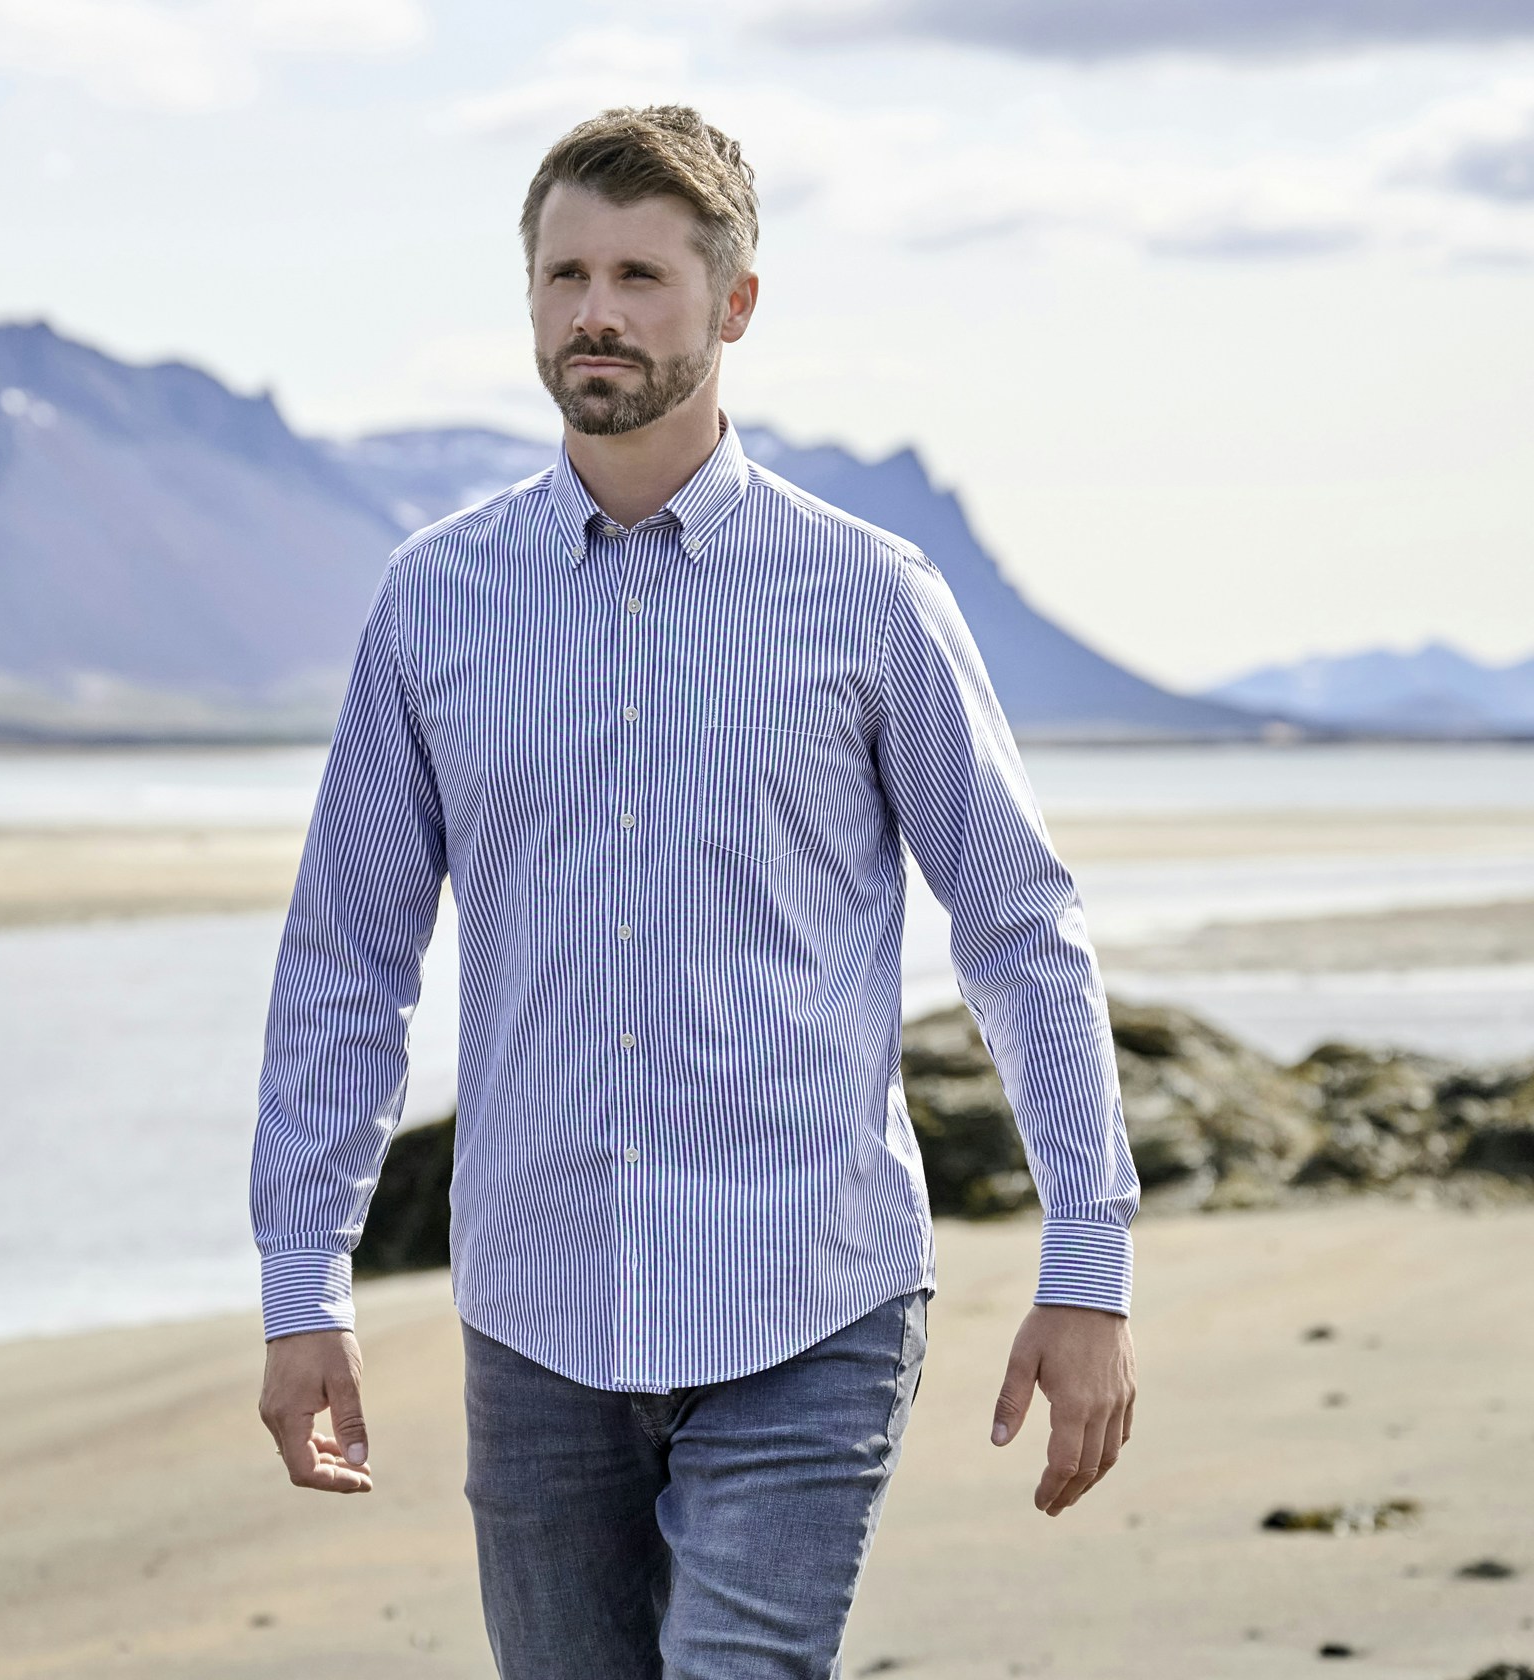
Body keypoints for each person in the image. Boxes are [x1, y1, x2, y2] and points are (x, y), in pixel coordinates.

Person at [248, 105, 1141, 1679]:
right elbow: (349, 963)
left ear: (732, 305)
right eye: (564, 273)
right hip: (537, 1316)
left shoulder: (869, 597)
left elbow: (1017, 925)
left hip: (810, 1297)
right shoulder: (436, 601)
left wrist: (1089, 1267)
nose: (596, 311)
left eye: (642, 277)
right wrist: (300, 1285)